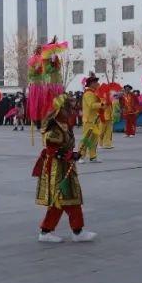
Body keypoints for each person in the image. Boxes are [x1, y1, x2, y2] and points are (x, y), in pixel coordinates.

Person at [33, 95, 96, 243]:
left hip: (66, 165)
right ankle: (74, 231)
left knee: (65, 200)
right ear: (60, 109)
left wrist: (76, 153)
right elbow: (51, 150)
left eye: (70, 108)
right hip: (57, 168)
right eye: (67, 108)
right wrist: (69, 155)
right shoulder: (54, 127)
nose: (70, 111)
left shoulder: (65, 124)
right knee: (65, 199)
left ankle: (52, 231)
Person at [80, 76, 102, 162]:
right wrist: (102, 104)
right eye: (95, 82)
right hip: (89, 120)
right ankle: (81, 156)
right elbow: (92, 105)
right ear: (91, 84)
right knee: (86, 138)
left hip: (95, 120)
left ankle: (92, 156)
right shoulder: (88, 93)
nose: (97, 84)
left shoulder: (94, 93)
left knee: (94, 139)